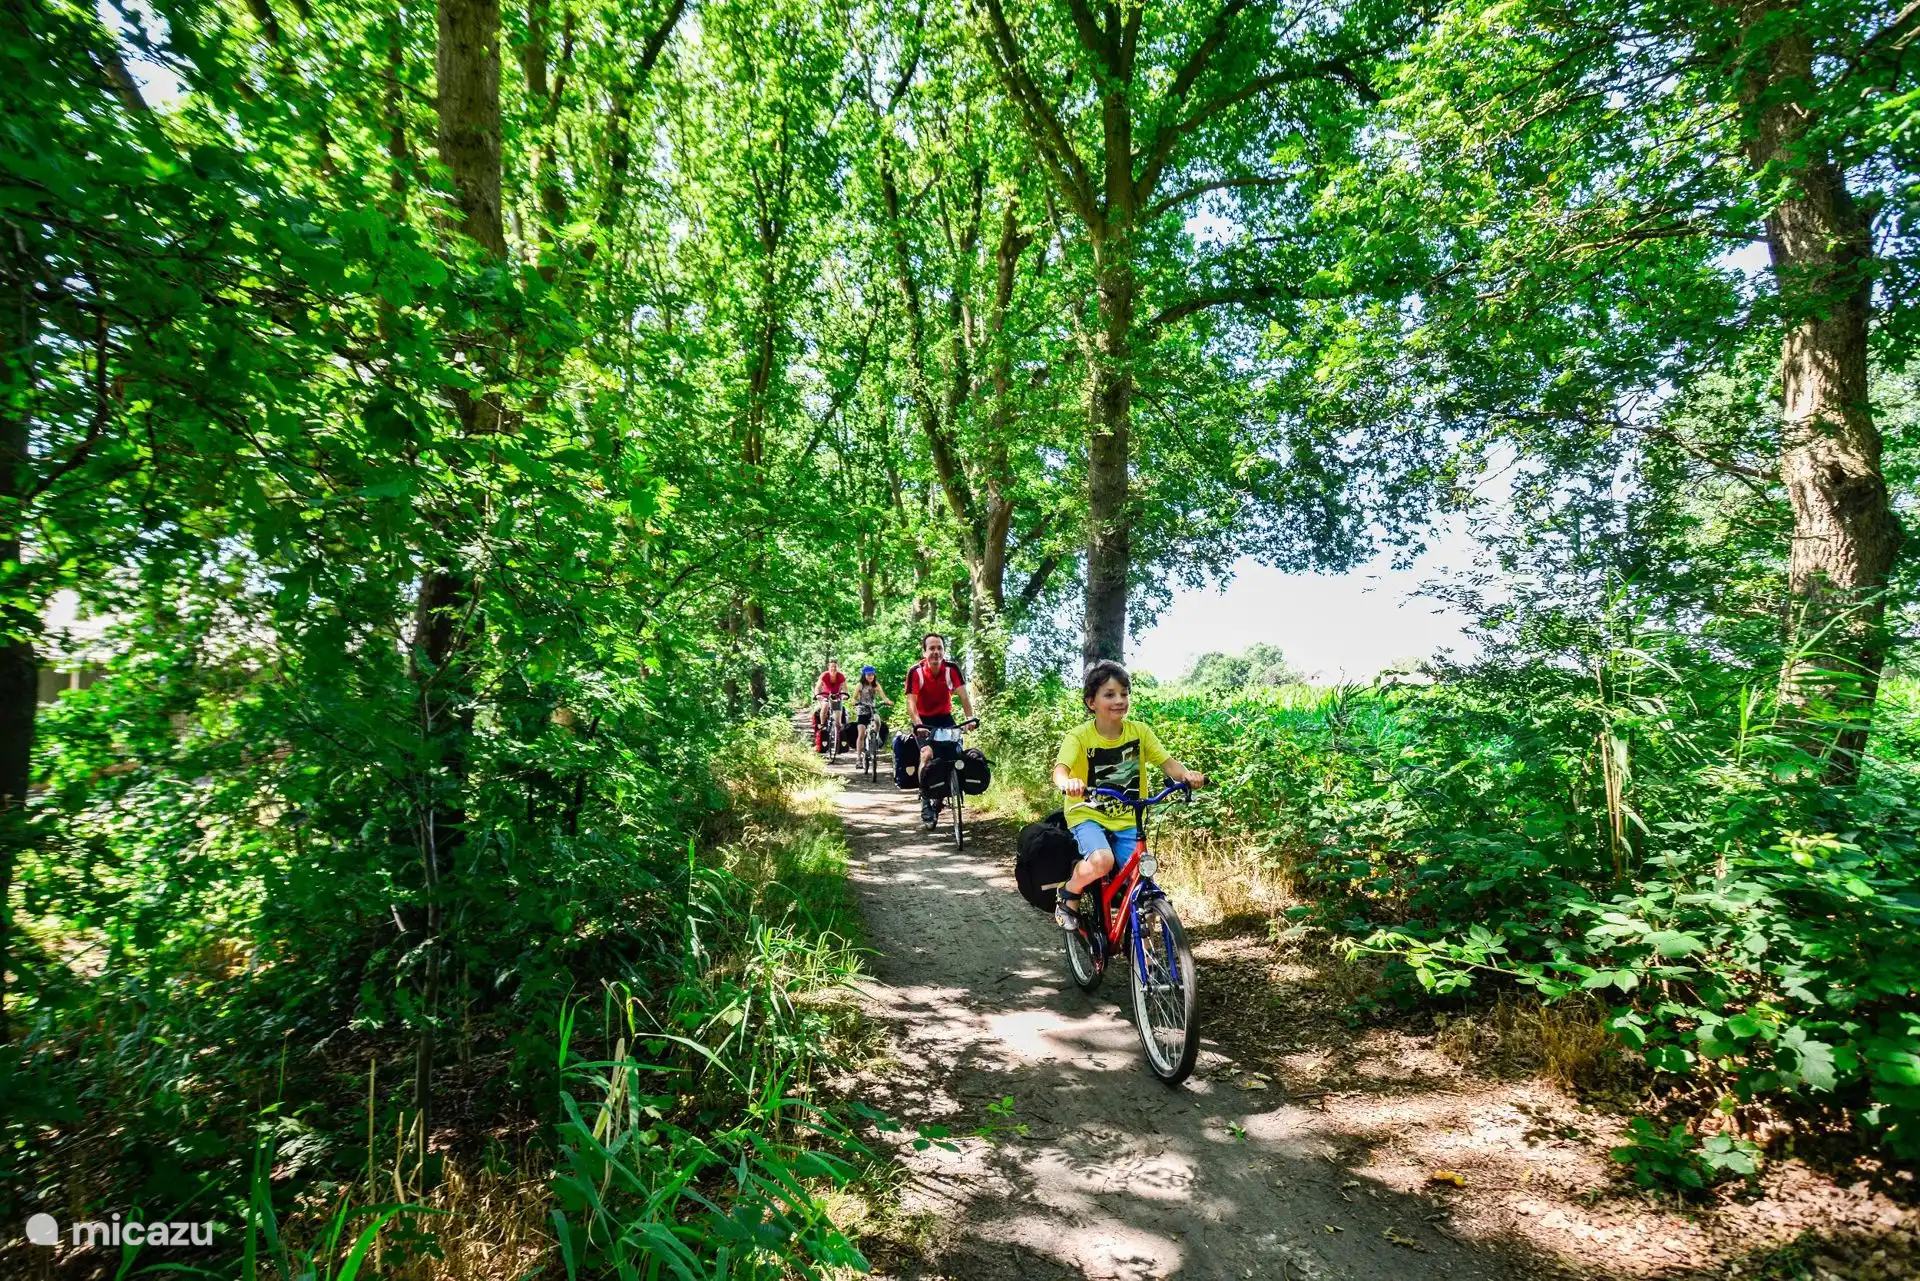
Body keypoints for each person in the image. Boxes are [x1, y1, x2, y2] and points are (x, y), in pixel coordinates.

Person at [1051, 659, 1206, 929]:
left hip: (1127, 818)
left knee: (1144, 888)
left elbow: (1169, 765)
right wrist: (1068, 783)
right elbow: (1059, 771)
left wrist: (1187, 775)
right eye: (1109, 694)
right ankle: (1070, 891)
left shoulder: (1140, 733)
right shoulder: (1078, 737)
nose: (1119, 700)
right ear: (1091, 703)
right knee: (1102, 861)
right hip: (1086, 813)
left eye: (1124, 693)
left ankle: (1141, 961)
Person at [904, 633, 974, 829]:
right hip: (923, 720)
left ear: (944, 650)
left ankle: (940, 798)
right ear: (924, 652)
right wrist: (918, 724)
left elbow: (964, 697)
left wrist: (969, 719)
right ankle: (925, 800)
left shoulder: (951, 670)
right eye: (932, 648)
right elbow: (911, 703)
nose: (936, 652)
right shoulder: (916, 672)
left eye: (939, 648)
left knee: (952, 757)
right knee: (926, 754)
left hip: (945, 719)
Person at [853, 665, 892, 761]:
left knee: (877, 719)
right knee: (861, 733)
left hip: (872, 709)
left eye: (872, 675)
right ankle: (858, 758)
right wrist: (855, 702)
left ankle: (876, 736)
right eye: (868, 675)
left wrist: (888, 701)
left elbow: (883, 696)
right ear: (864, 675)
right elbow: (854, 697)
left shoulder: (876, 685)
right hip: (862, 710)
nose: (870, 677)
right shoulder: (860, 685)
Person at [813, 659, 848, 753]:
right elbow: (817, 687)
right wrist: (818, 695)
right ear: (828, 667)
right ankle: (823, 725)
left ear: (838, 667)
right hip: (825, 696)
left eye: (835, 666)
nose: (833, 668)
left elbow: (845, 689)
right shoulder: (824, 675)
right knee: (825, 705)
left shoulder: (840, 676)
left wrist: (844, 695)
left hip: (837, 697)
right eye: (831, 666)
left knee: (837, 722)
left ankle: (837, 739)